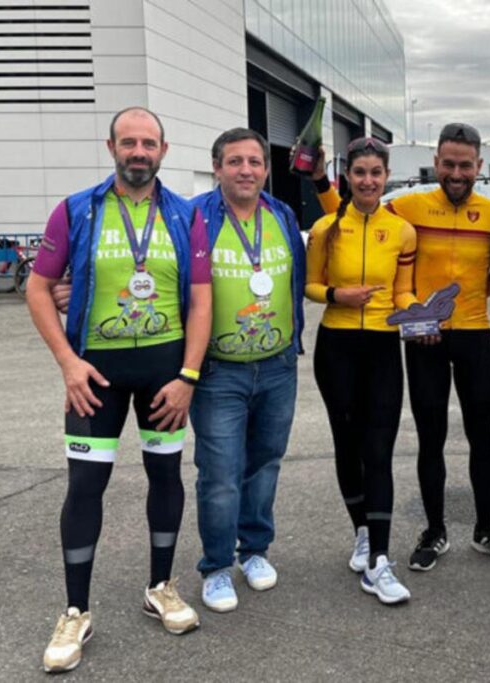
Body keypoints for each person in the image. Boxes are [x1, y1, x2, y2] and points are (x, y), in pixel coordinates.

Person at [27, 107, 211, 672]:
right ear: (110, 147)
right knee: (85, 485)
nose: (138, 151)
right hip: (95, 378)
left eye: (148, 142)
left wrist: (187, 378)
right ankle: (75, 610)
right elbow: (37, 290)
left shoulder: (185, 214)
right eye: (128, 142)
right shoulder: (77, 209)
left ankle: (160, 586)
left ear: (164, 149)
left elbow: (203, 301)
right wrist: (68, 364)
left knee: (165, 475)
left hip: (164, 375)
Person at [311, 123, 490, 572]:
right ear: (437, 162)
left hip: (473, 333)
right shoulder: (406, 206)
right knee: (431, 438)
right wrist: (319, 184)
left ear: (479, 167)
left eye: (465, 165)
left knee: (481, 435)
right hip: (423, 335)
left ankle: (486, 528)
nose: (456, 172)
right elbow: (348, 214)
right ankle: (434, 531)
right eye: (448, 164)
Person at [188, 128, 307, 612]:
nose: (246, 170)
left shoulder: (282, 215)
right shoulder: (194, 216)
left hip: (278, 366)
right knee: (219, 473)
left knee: (264, 464)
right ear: (217, 167)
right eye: (234, 161)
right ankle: (216, 566)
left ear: (265, 168)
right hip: (219, 370)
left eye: (254, 162)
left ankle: (253, 551)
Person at [305, 137, 418, 604]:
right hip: (336, 345)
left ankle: (380, 561)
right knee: (347, 446)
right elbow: (311, 285)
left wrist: (418, 311)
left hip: (383, 347)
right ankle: (363, 534)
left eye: (376, 172)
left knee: (379, 450)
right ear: (346, 176)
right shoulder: (325, 227)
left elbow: (403, 291)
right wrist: (338, 296)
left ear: (386, 176)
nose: (368, 181)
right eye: (359, 173)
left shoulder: (403, 231)